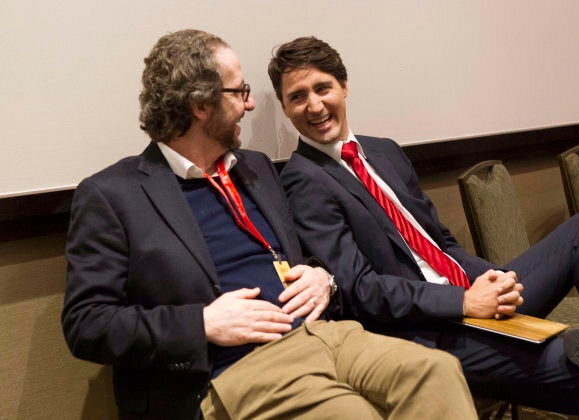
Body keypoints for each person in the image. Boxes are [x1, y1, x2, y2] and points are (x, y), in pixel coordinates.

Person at [61, 29, 477, 420]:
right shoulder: (113, 194)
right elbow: (87, 323)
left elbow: (307, 253)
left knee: (435, 371)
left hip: (326, 336)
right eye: (239, 90)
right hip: (235, 368)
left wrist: (321, 277)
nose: (251, 103)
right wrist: (202, 322)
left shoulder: (254, 169)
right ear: (201, 105)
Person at [270, 35, 579, 418]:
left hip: (469, 295)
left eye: (322, 88)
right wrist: (464, 302)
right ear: (286, 108)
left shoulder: (383, 150)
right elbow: (360, 290)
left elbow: (439, 243)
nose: (314, 105)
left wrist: (490, 280)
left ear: (344, 86)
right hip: (430, 330)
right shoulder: (303, 181)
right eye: (297, 97)